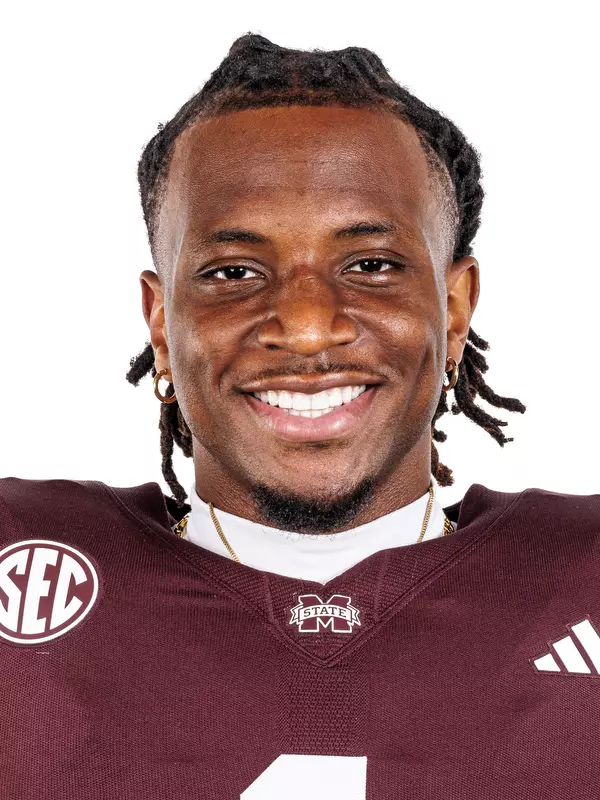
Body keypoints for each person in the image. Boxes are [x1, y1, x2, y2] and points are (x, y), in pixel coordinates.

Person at [1, 33, 597, 800]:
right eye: (234, 272)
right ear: (160, 322)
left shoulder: (583, 574)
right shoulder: (28, 560)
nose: (309, 326)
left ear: (454, 311)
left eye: (372, 265)